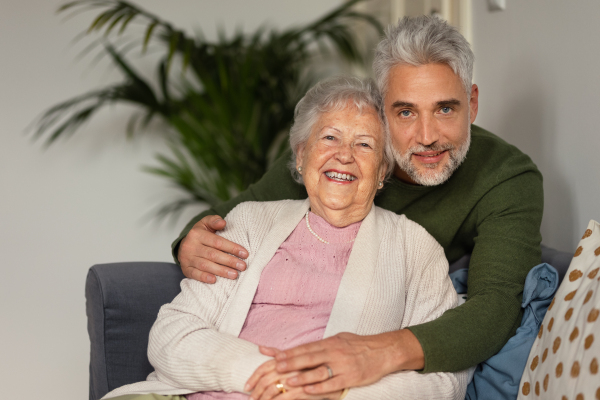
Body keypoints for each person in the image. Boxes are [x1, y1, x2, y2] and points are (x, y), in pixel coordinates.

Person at [173, 15, 544, 398]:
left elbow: (496, 307)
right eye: (406, 112)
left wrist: (375, 354)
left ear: (473, 102)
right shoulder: (337, 163)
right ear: (381, 112)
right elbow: (229, 217)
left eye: (446, 109)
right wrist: (189, 240)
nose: (428, 136)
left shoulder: (507, 176)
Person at [102, 76, 471, 400]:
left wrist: (331, 391)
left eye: (364, 145)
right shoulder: (249, 221)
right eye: (329, 137)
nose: (343, 156)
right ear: (301, 155)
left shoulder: (415, 248)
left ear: (382, 172)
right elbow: (172, 335)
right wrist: (273, 380)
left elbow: (444, 381)